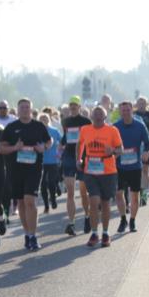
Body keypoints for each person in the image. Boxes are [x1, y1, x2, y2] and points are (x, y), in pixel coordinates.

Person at [0, 98, 51, 252]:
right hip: (15, 170)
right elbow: (1, 148)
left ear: (31, 109)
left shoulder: (38, 126)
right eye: (22, 107)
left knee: (30, 201)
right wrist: (15, 148)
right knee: (21, 202)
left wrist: (43, 147)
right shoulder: (11, 127)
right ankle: (27, 234)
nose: (25, 109)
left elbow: (49, 141)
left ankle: (33, 236)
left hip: (34, 169)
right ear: (17, 110)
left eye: (27, 107)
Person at [78, 106, 123, 248]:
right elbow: (80, 144)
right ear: (91, 116)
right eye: (95, 114)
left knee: (105, 203)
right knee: (93, 201)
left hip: (108, 171)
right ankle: (94, 233)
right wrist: (78, 159)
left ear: (105, 117)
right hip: (90, 171)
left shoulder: (112, 130)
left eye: (100, 114)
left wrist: (113, 151)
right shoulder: (85, 129)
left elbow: (120, 149)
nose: (98, 116)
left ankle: (105, 233)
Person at [113, 101, 149, 233]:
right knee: (119, 194)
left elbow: (147, 142)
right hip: (119, 166)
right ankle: (123, 219)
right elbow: (110, 144)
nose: (125, 113)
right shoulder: (115, 127)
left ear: (132, 110)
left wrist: (146, 152)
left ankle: (132, 221)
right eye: (123, 110)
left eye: (128, 110)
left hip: (135, 166)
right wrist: (113, 152)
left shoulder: (140, 126)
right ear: (120, 112)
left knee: (135, 196)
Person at [60, 96, 91, 235]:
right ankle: (71, 223)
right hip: (68, 156)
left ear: (79, 107)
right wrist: (60, 144)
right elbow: (66, 137)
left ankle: (87, 217)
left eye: (75, 105)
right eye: (71, 105)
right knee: (70, 192)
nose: (72, 107)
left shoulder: (86, 121)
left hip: (82, 157)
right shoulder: (65, 121)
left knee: (84, 192)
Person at [39, 113, 62, 213]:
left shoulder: (54, 131)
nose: (43, 120)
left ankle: (53, 198)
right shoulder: (37, 131)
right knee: (43, 185)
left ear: (49, 120)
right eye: (41, 119)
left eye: (45, 118)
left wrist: (59, 153)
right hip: (41, 161)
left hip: (53, 160)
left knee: (52, 182)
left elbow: (62, 142)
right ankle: (46, 205)